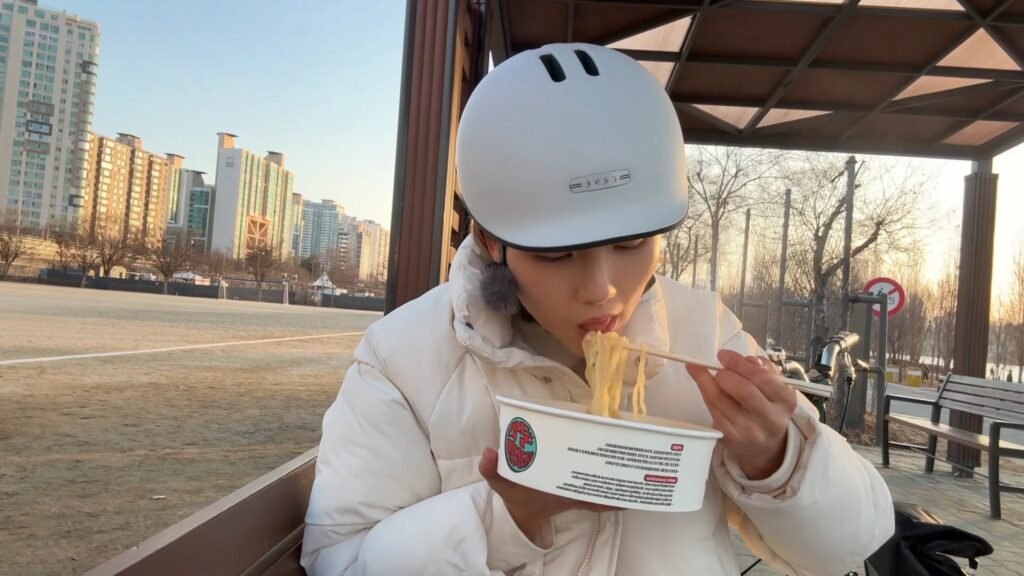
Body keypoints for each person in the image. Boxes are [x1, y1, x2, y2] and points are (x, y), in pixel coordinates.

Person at [300, 43, 894, 575]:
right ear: (490, 241)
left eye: (631, 244)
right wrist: (506, 514)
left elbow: (848, 546)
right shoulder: (405, 357)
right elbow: (340, 561)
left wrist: (781, 459)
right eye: (558, 254)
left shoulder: (703, 332)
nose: (604, 289)